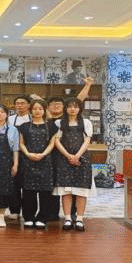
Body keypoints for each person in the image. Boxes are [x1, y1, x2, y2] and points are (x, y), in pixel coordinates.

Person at [52, 97, 93, 231]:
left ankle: (80, 219)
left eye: (75, 106)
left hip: (82, 160)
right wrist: (68, 155)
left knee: (81, 191)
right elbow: (56, 141)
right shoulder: (59, 123)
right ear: (65, 108)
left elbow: (87, 141)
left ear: (80, 109)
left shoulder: (86, 122)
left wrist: (77, 156)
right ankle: (68, 218)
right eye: (70, 106)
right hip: (64, 159)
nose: (72, 109)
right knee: (66, 190)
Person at [18, 100, 55, 228]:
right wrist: (28, 153)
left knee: (45, 191)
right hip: (28, 161)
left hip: (45, 161)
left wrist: (43, 154)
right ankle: (28, 217)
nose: (37, 111)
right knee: (28, 191)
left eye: (40, 109)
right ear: (30, 110)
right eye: (35, 109)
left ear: (44, 111)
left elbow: (52, 143)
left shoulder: (51, 126)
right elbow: (21, 143)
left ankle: (42, 217)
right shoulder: (24, 126)